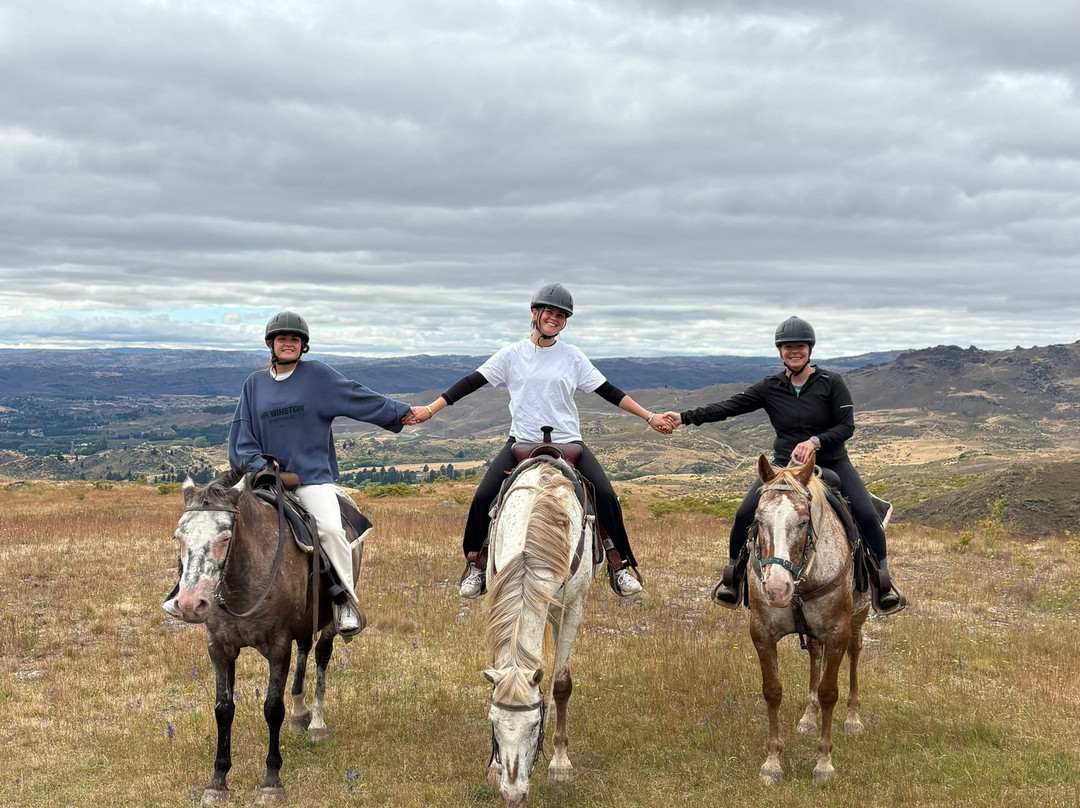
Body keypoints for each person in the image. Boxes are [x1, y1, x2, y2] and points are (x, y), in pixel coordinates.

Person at [406, 283, 672, 599]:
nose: (555, 318)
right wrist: (431, 410)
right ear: (536, 313)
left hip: (569, 444)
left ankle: (620, 565)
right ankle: (477, 566)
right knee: (482, 498)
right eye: (550, 312)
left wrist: (649, 416)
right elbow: (469, 383)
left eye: (561, 315)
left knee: (606, 494)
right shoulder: (511, 355)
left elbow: (609, 392)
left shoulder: (573, 357)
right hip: (522, 444)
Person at [164, 310, 413, 634]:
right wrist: (259, 464)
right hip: (263, 479)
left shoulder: (319, 377)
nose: (289, 344)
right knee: (207, 524)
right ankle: (180, 592)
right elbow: (241, 436)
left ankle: (344, 603)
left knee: (331, 531)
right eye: (282, 339)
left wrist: (402, 412)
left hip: (310, 478)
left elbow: (357, 397)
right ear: (271, 344)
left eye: (295, 339)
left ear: (303, 346)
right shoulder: (254, 384)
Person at [662, 316, 906, 614]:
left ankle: (882, 582)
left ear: (809, 350)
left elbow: (846, 427)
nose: (794, 352)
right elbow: (728, 407)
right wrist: (685, 417)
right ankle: (733, 580)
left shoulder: (832, 383)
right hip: (784, 466)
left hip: (832, 461)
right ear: (780, 351)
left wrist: (815, 441)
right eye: (788, 347)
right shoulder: (771, 386)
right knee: (743, 515)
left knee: (867, 515)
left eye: (800, 347)